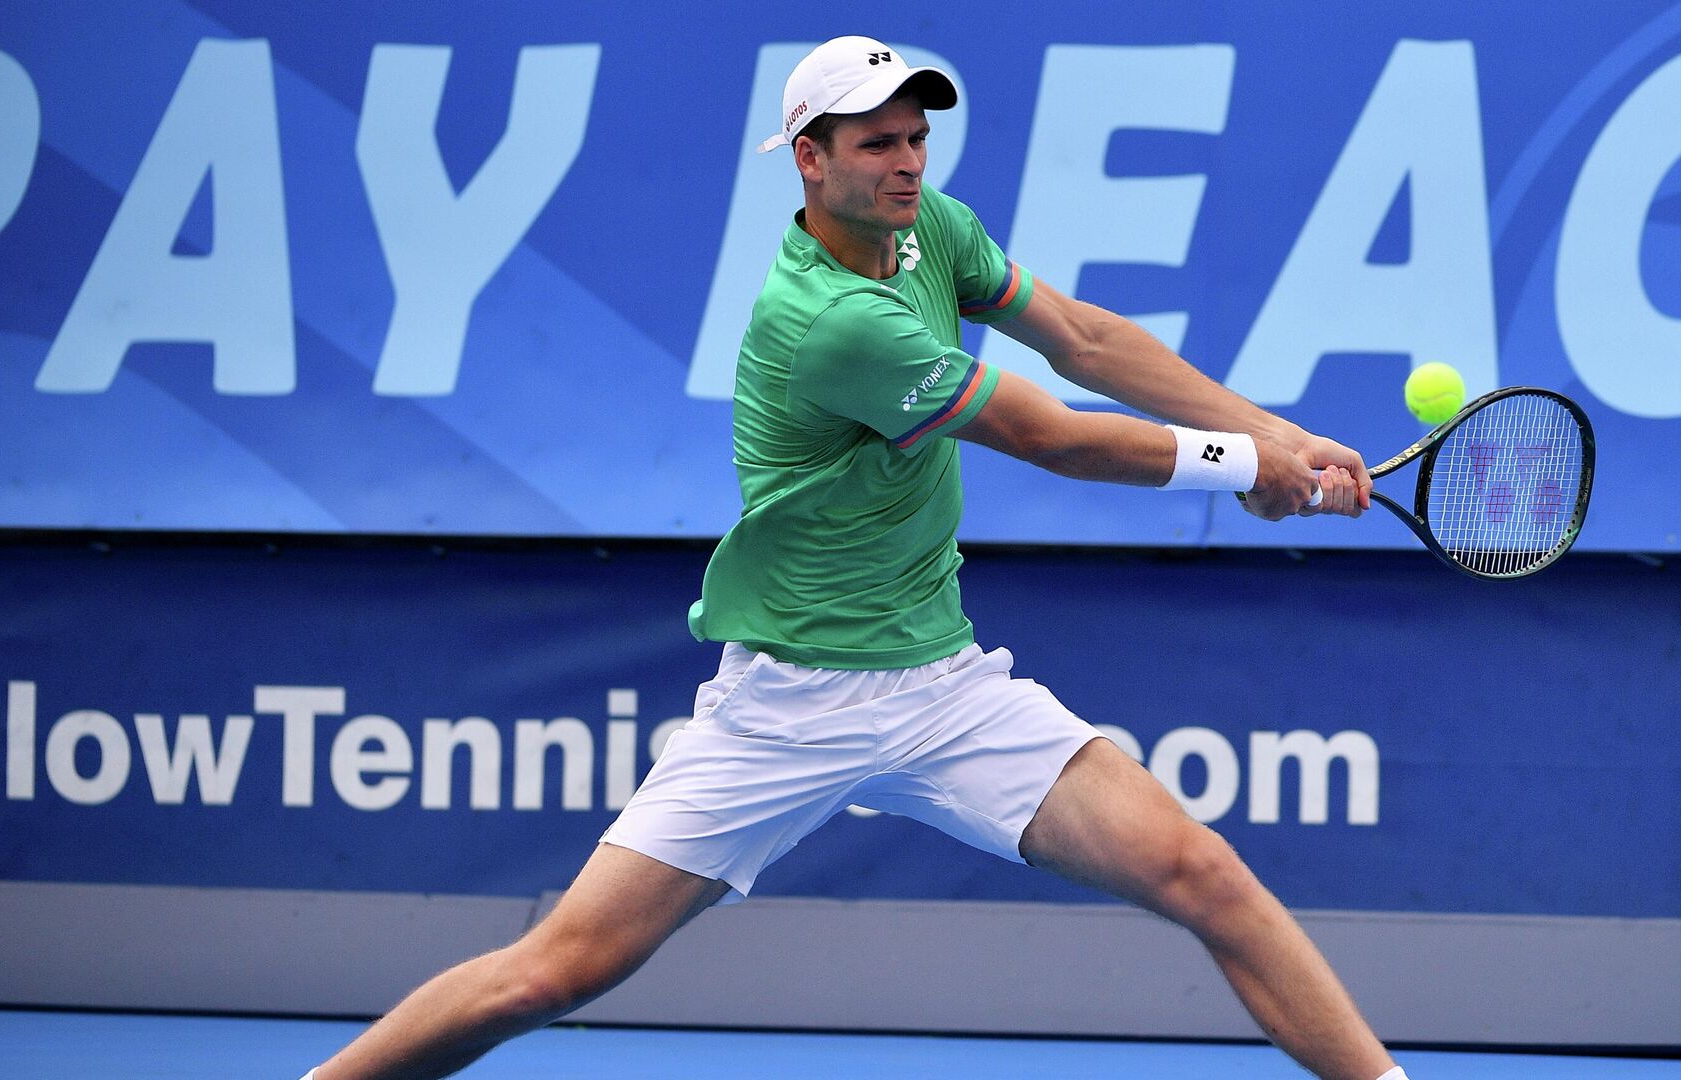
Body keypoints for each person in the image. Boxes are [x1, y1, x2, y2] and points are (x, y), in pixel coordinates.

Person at [300, 36, 1405, 1080]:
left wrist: (1279, 435)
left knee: (1202, 874)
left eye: (917, 137)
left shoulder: (932, 232)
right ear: (809, 161)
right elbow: (1046, 434)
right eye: (876, 144)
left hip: (944, 687)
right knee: (550, 973)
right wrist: (1239, 464)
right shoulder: (830, 321)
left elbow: (1088, 342)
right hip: (789, 705)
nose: (907, 162)